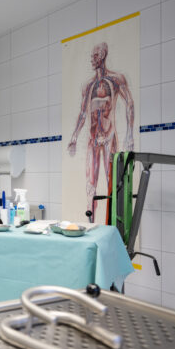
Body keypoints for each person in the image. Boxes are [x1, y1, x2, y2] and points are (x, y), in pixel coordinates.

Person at [67, 42, 135, 217]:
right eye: (91, 56)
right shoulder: (88, 86)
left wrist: (129, 134)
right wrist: (74, 137)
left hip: (109, 136)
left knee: (111, 182)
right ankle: (91, 226)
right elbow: (83, 114)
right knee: (91, 186)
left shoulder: (116, 79)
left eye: (95, 56)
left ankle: (112, 226)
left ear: (103, 55)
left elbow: (129, 104)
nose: (92, 59)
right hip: (93, 139)